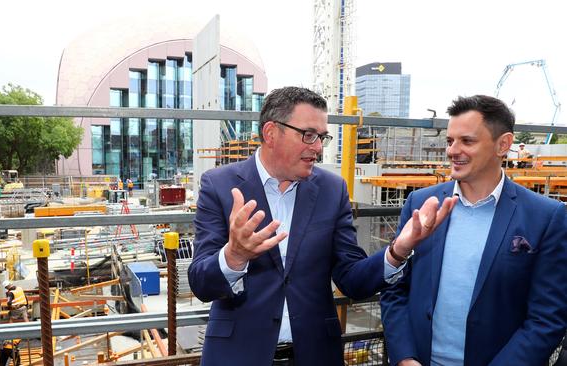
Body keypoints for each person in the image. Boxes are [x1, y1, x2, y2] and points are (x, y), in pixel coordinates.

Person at [188, 86, 457, 366]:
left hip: (315, 354)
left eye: (322, 137)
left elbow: (352, 278)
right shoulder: (219, 185)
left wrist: (398, 250)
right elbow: (201, 284)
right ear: (270, 133)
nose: (317, 147)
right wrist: (234, 256)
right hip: (237, 356)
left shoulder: (331, 189)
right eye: (308, 135)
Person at [380, 95, 567, 366]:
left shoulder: (546, 216)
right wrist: (405, 358)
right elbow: (396, 288)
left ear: (503, 144)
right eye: (450, 141)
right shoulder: (420, 203)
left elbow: (547, 316)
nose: (453, 150)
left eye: (467, 141)